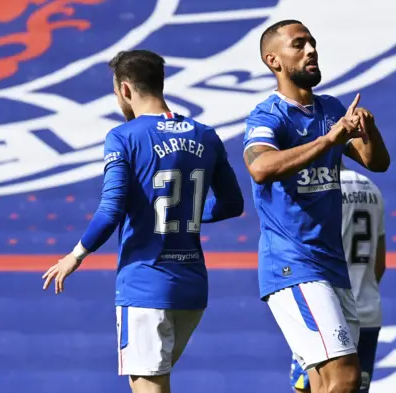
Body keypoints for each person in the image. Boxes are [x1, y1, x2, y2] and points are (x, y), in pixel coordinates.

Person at [41, 49, 244, 393]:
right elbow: (232, 203)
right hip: (192, 288)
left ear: (124, 90)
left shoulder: (124, 137)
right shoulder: (205, 134)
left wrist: (75, 255)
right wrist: (189, 213)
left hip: (146, 285)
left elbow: (110, 209)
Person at [242, 19, 391, 393]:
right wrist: (328, 141)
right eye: (299, 44)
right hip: (293, 264)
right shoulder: (268, 115)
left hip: (332, 267)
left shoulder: (330, 108)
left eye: (312, 42)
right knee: (346, 377)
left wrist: (367, 128)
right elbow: (260, 168)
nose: (311, 50)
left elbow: (377, 163)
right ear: (273, 60)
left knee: (323, 384)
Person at [290, 162, 387, 393]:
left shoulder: (319, 190)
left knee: (308, 388)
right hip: (366, 309)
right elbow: (379, 264)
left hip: (326, 313)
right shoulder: (371, 188)